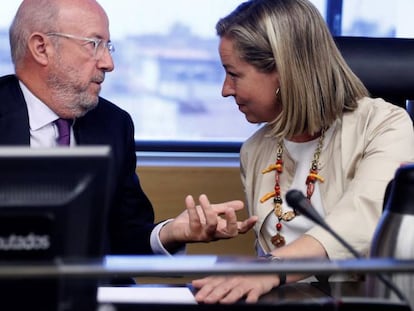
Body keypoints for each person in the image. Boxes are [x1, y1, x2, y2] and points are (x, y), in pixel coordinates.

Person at [191, 0, 414, 304]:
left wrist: (270, 269)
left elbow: (364, 219)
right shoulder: (255, 150)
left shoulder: (385, 125)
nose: (225, 89)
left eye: (234, 74)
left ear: (282, 71)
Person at [0, 0, 257, 256]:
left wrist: (171, 233)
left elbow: (125, 236)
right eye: (94, 44)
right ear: (41, 48)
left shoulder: (113, 124)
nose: (108, 63)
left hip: (91, 293)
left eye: (108, 46)